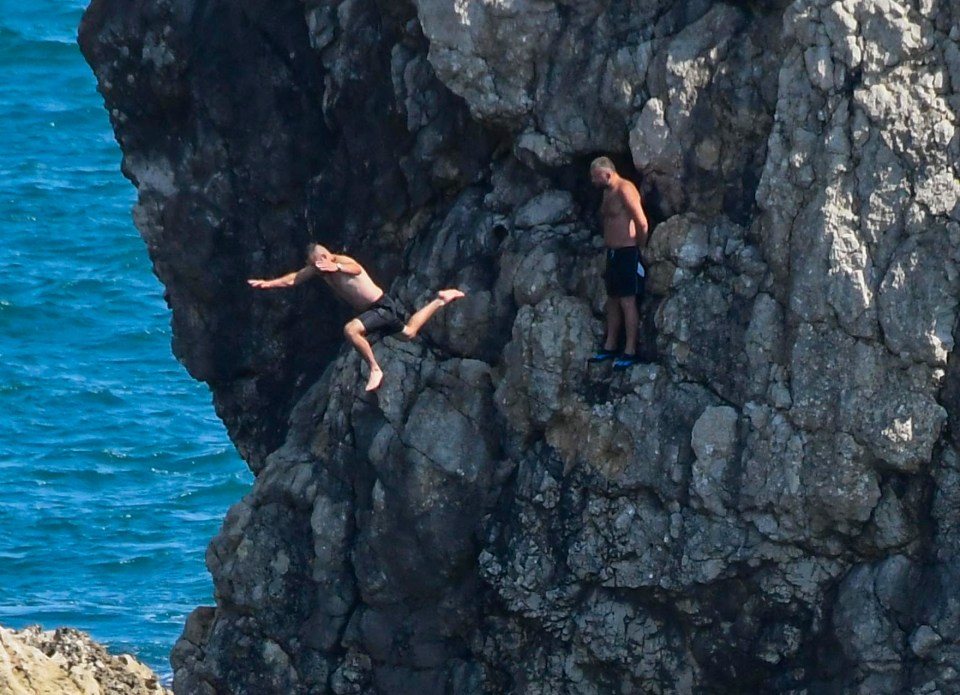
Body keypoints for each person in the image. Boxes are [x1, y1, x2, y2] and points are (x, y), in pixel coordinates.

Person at [248, 243, 464, 392]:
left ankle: (375, 369)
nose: (319, 270)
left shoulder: (341, 261)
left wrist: (337, 266)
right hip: (374, 311)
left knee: (351, 330)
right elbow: (293, 279)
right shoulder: (317, 269)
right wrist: (268, 284)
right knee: (408, 333)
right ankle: (441, 300)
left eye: (321, 264)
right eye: (314, 266)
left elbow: (356, 268)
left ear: (327, 256)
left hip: (380, 306)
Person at [588, 156, 650, 369]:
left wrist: (639, 247)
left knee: (627, 301)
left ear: (607, 174)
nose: (593, 181)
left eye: (595, 177)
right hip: (613, 253)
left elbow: (641, 221)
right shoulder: (607, 193)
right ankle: (610, 345)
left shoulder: (625, 189)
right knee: (612, 300)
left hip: (627, 252)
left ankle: (630, 349)